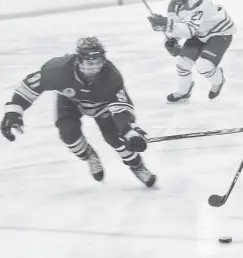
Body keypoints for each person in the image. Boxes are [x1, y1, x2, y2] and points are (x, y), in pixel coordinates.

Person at [1, 37, 156, 188]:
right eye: (89, 63)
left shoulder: (112, 76)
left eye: (98, 62)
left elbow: (120, 109)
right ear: (78, 60)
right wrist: (14, 111)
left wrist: (129, 131)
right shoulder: (58, 70)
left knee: (115, 137)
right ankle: (89, 156)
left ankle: (137, 166)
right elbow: (29, 87)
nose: (94, 68)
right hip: (70, 101)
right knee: (68, 134)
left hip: (102, 105)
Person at [147, 0, 236, 103]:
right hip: (200, 33)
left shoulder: (195, 1)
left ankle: (219, 80)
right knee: (182, 63)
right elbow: (178, 25)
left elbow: (189, 30)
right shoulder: (173, 6)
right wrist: (171, 40)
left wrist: (166, 24)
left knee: (203, 65)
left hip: (219, 32)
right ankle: (184, 92)